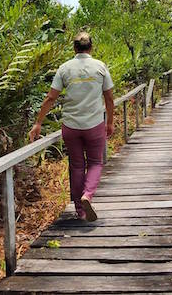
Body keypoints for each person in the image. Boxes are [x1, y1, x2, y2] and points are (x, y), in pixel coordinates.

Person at [28, 32, 114, 222]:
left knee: (76, 165)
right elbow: (108, 96)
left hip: (71, 126)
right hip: (94, 125)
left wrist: (38, 122)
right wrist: (109, 122)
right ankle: (87, 195)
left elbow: (51, 97)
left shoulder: (65, 68)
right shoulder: (100, 67)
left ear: (74, 48)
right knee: (95, 162)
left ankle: (80, 210)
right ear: (91, 48)